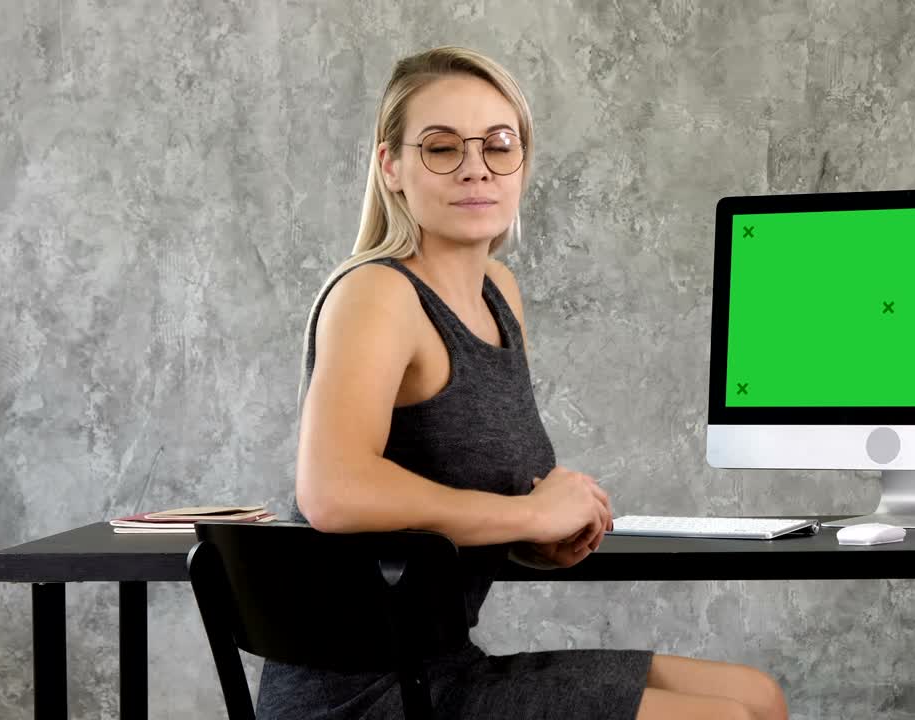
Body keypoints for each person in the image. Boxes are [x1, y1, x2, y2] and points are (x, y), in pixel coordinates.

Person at [259, 46, 789, 720]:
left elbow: (454, 494)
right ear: (392, 167)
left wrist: (537, 540)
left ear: (522, 164)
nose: (476, 167)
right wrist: (527, 513)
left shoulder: (497, 293)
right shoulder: (378, 292)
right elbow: (333, 491)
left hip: (445, 665)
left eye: (499, 145)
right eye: (443, 147)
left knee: (757, 697)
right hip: (365, 696)